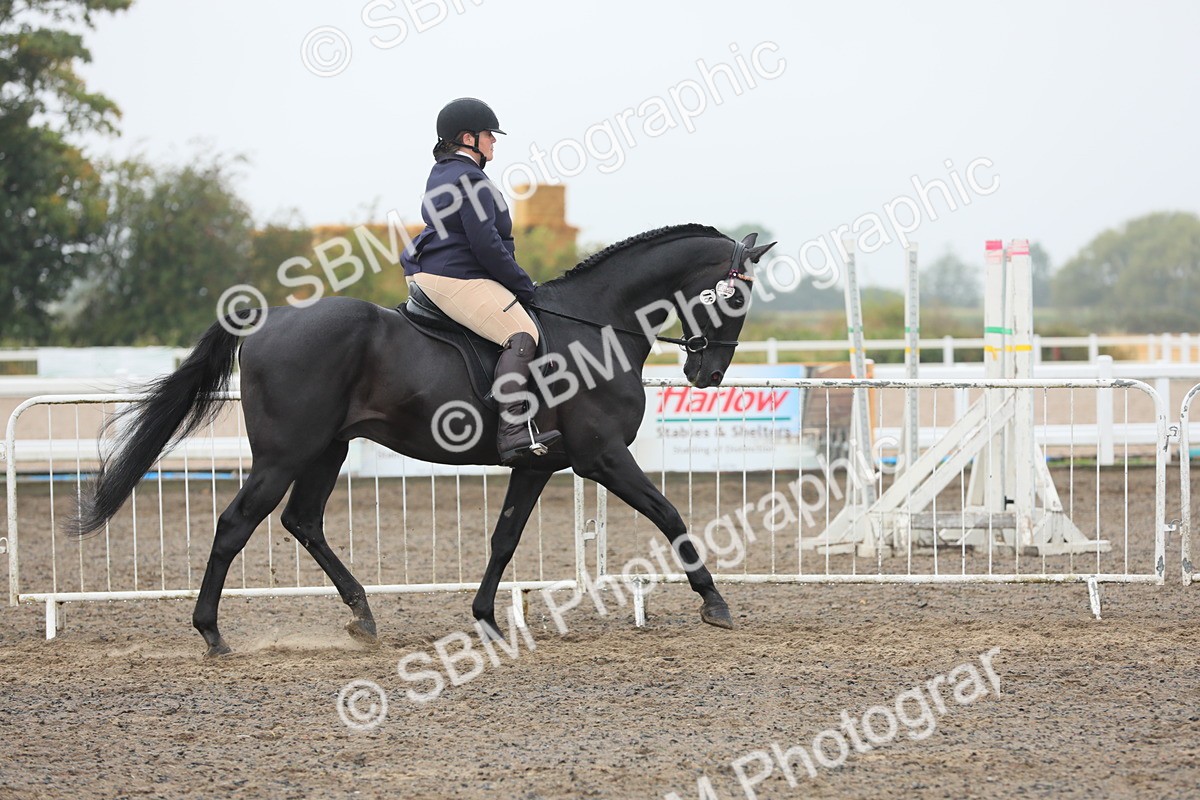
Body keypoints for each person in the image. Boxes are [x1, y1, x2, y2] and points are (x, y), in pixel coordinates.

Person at [401, 97, 561, 466]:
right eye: (488, 134)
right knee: (522, 333)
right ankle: (513, 431)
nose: (494, 141)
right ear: (467, 138)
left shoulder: (443, 171)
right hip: (456, 274)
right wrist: (524, 286)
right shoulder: (471, 178)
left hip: (436, 270)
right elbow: (486, 245)